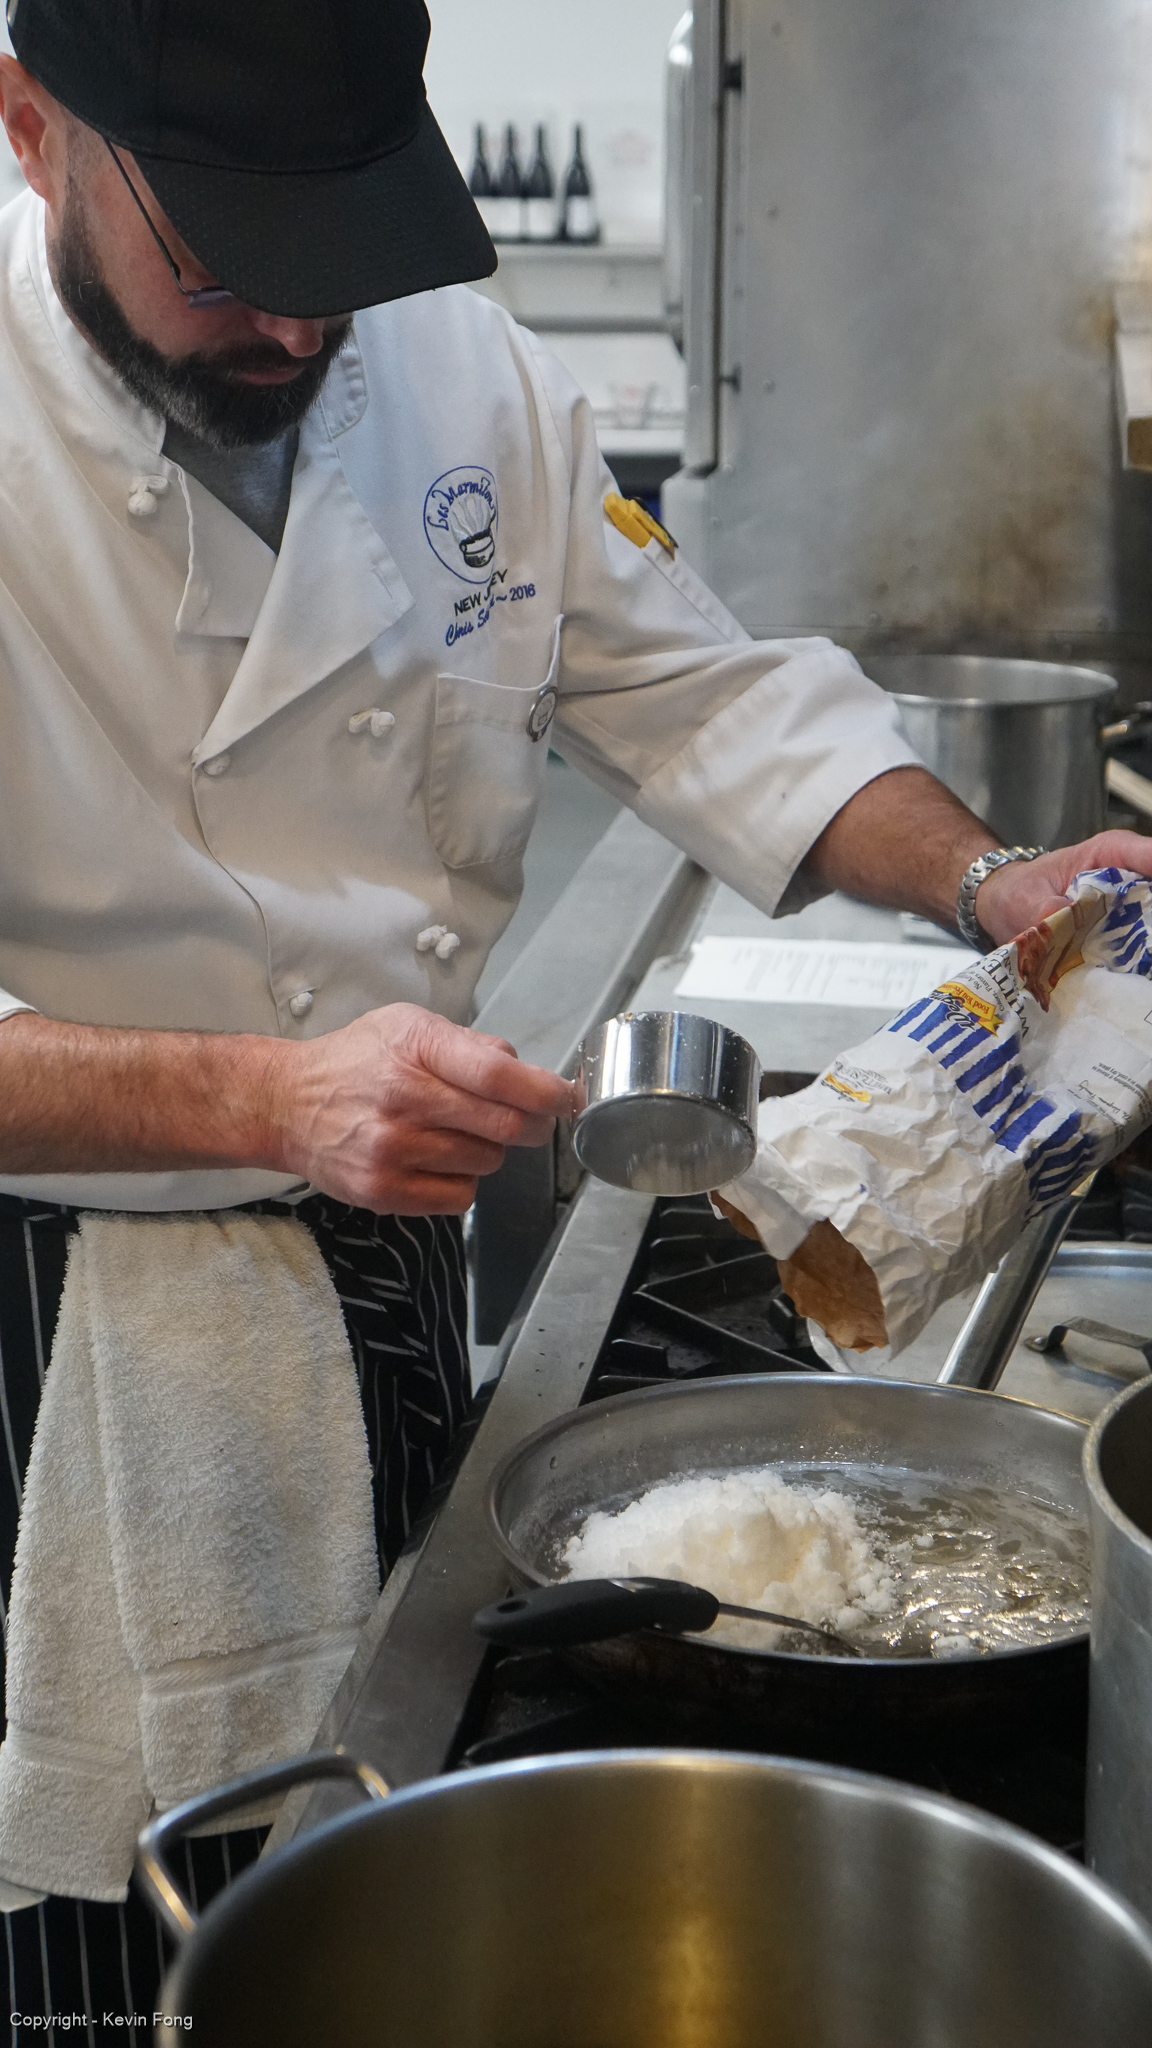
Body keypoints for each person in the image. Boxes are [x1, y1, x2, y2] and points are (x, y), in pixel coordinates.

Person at [0, 0, 1147, 2033]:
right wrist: (262, 1094)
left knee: (368, 1821)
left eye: (344, 243)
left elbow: (705, 700)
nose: (300, 320)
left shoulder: (460, 369)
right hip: (52, 1326)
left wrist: (996, 882)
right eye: (229, 255)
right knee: (109, 1922)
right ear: (32, 128)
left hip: (375, 1260)